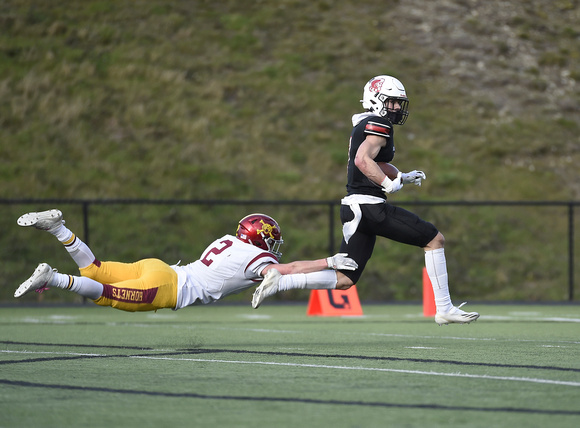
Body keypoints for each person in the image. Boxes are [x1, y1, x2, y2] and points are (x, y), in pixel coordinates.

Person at [252, 75, 480, 326]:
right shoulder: (379, 123)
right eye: (392, 102)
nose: (396, 108)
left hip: (354, 208)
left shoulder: (365, 123)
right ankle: (444, 308)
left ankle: (282, 281)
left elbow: (376, 162)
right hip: (369, 207)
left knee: (345, 278)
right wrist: (388, 184)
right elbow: (363, 161)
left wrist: (401, 176)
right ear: (376, 100)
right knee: (434, 239)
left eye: (398, 103)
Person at [14, 209, 358, 312]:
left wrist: (333, 275)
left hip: (162, 268)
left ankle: (59, 228)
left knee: (95, 269)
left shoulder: (229, 240)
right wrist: (328, 261)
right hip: (167, 287)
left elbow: (287, 275)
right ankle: (53, 279)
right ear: (262, 238)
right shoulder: (259, 257)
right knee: (103, 292)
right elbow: (289, 270)